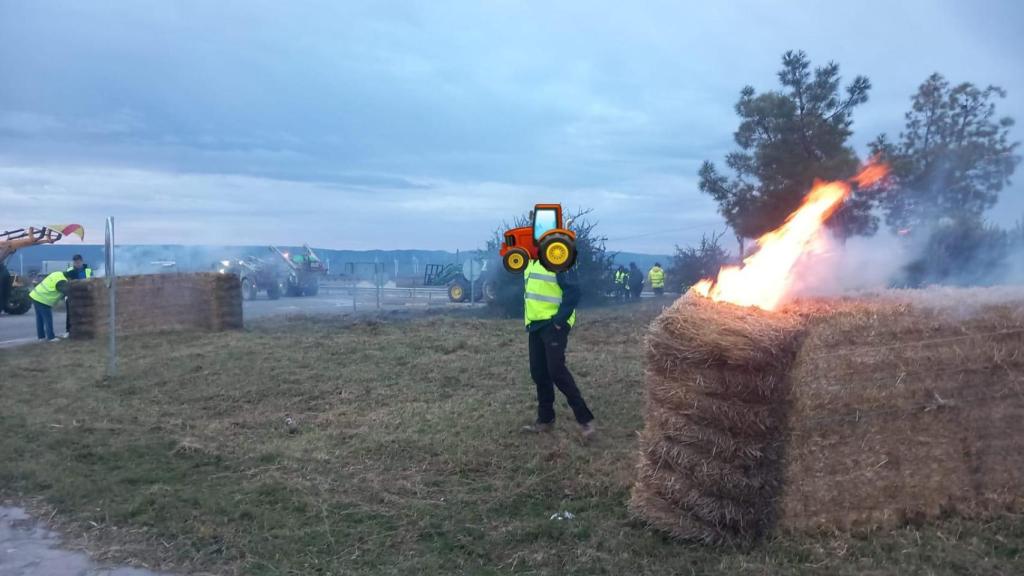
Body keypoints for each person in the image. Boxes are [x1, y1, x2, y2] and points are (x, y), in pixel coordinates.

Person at [521, 258, 595, 438]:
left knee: (556, 371)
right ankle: (545, 420)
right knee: (539, 372)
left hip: (553, 325)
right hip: (535, 325)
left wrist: (559, 321)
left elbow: (574, 292)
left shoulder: (557, 257)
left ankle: (586, 421)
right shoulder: (529, 262)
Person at [29, 270, 71, 342]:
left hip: (35, 295)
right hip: (43, 299)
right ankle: (51, 337)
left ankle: (41, 337)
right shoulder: (62, 281)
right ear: (69, 278)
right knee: (48, 319)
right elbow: (65, 291)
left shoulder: (57, 273)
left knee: (40, 319)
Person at [63, 255, 92, 337]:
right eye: (75, 262)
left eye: (78, 262)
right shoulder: (69, 270)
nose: (77, 264)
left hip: (85, 295)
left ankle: (85, 330)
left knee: (85, 313)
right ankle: (68, 331)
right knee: (70, 314)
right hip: (72, 296)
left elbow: (92, 280)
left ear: (82, 261)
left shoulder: (88, 270)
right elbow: (66, 283)